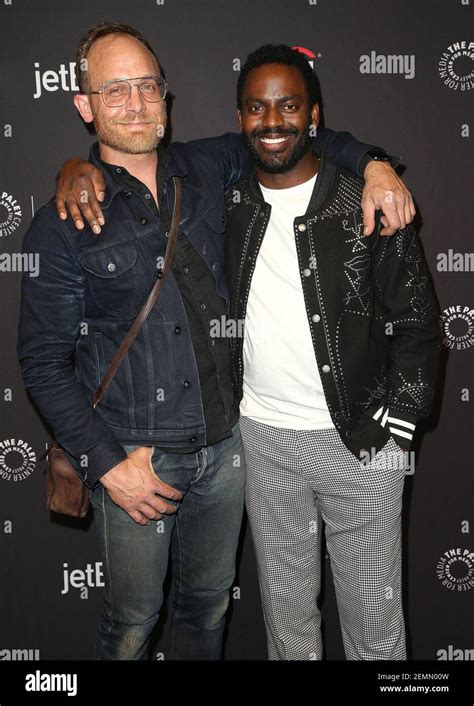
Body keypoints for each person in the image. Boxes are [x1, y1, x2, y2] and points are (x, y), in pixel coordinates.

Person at [18, 22, 415, 661]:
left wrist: (374, 164)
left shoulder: (209, 167)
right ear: (84, 106)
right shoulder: (63, 223)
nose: (135, 102)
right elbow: (41, 363)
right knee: (130, 626)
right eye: (113, 90)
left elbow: (296, 131)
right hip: (136, 460)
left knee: (206, 614)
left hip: (229, 452)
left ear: (167, 95)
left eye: (147, 85)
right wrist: (107, 465)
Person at [224, 44, 441, 660]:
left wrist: (397, 427)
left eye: (288, 105)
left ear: (313, 113)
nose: (272, 122)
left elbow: (420, 325)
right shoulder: (229, 201)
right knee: (288, 622)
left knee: (375, 629)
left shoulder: (365, 198)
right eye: (256, 107)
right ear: (239, 117)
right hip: (264, 438)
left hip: (362, 440)